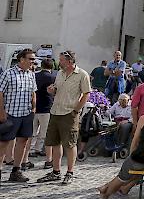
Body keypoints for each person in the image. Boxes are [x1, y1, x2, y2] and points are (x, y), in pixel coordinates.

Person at [37, 50, 90, 185]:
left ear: (70, 61)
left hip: (69, 113)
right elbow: (57, 89)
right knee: (54, 142)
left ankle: (70, 172)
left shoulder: (82, 75)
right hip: (55, 111)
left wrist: (76, 110)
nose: (58, 62)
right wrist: (52, 90)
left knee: (70, 143)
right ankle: (56, 171)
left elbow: (86, 94)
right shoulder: (59, 73)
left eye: (61, 60)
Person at [0, 48, 37, 182]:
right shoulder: (8, 73)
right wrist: (1, 112)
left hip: (26, 114)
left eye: (34, 59)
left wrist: (33, 108)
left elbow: (33, 92)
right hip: (10, 114)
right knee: (4, 143)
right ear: (22, 59)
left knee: (23, 142)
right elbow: (0, 93)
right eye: (31, 59)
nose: (33, 61)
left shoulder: (31, 74)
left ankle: (16, 171)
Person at [31, 58, 56, 167]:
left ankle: (31, 149)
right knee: (44, 132)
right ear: (52, 67)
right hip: (46, 107)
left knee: (33, 131)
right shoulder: (52, 78)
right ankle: (40, 149)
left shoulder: (35, 76)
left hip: (34, 106)